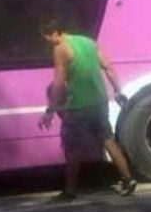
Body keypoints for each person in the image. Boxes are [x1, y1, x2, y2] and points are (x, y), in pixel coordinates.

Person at [37, 18, 136, 201]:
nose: (48, 43)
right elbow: (108, 67)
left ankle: (70, 190)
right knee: (107, 140)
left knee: (72, 149)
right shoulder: (89, 42)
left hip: (78, 106)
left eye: (47, 38)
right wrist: (118, 90)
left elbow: (59, 82)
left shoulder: (60, 49)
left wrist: (51, 110)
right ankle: (128, 179)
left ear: (55, 33)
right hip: (100, 102)